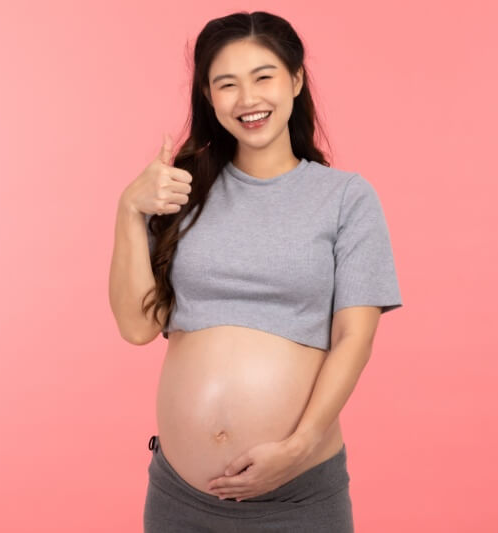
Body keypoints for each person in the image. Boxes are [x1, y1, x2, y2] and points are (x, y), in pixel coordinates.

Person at [109, 10, 403, 532]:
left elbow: (354, 337)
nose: (248, 99)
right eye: (227, 84)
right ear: (208, 96)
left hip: (296, 496)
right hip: (180, 497)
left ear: (295, 80)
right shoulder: (181, 192)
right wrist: (129, 210)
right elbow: (137, 327)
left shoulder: (345, 198)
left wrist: (299, 446)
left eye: (263, 76)